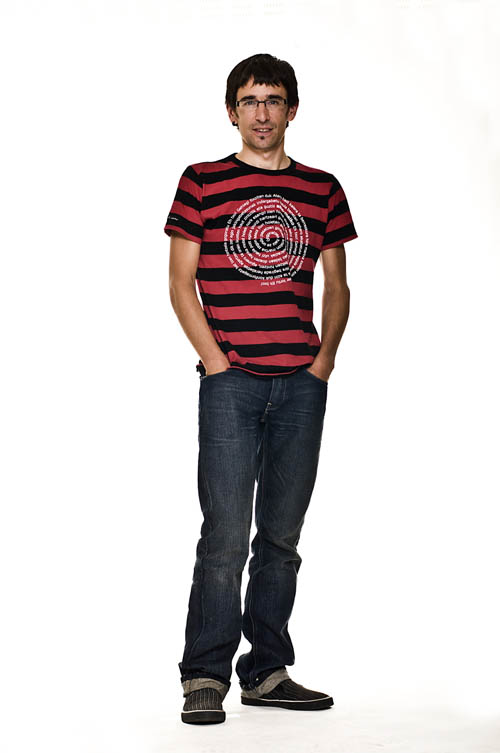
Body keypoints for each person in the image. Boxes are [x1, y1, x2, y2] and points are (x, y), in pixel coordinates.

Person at [164, 53, 358, 725]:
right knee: (224, 535)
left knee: (281, 537)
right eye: (249, 101)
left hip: (301, 385)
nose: (262, 113)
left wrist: (322, 363)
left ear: (292, 110)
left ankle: (267, 670)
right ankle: (204, 674)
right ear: (232, 111)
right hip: (232, 384)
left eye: (274, 100)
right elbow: (179, 283)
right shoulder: (201, 181)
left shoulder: (322, 189)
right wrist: (217, 363)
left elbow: (337, 284)